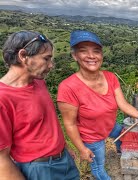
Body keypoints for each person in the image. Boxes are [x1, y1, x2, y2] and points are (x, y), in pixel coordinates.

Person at [57, 30, 138, 180]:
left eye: (96, 51)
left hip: (109, 125)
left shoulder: (110, 77)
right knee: (99, 167)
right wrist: (82, 149)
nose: (91, 56)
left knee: (124, 136)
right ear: (74, 56)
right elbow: (69, 124)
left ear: (101, 55)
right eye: (83, 51)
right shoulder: (68, 88)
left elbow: (123, 104)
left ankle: (121, 152)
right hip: (92, 137)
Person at [0, 31, 79, 180]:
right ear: (23, 56)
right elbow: (1, 160)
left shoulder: (38, 82)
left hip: (63, 160)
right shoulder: (3, 98)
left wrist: (64, 148)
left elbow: (49, 120)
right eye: (46, 58)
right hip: (39, 169)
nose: (51, 65)